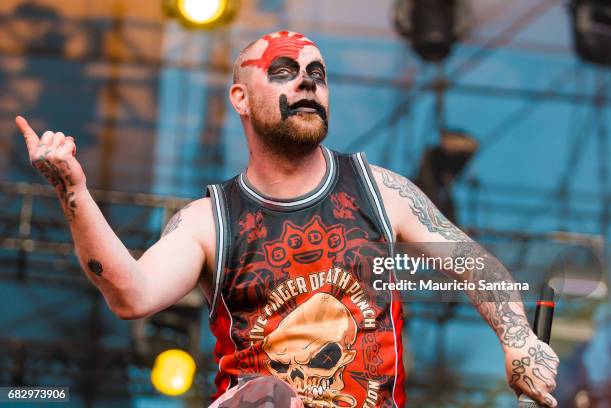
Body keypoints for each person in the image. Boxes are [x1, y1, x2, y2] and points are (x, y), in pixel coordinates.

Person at [15, 30, 560, 408]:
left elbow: (472, 262)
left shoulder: (382, 191)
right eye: (284, 72)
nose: (307, 83)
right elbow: (130, 296)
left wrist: (518, 341)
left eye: (317, 74)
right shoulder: (210, 221)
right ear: (241, 98)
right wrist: (75, 192)